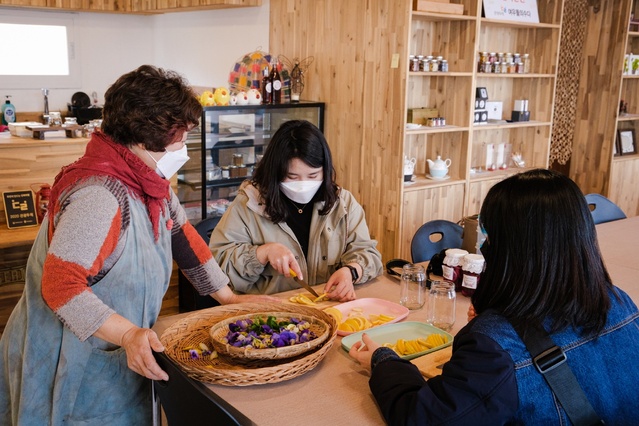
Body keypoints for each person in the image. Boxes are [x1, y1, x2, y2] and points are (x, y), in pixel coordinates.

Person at [0, 65, 277, 425]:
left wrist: (227, 298)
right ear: (149, 137)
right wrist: (128, 333)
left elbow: (182, 236)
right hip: (66, 355)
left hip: (114, 347)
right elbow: (60, 286)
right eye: (181, 139)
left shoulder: (149, 180)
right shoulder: (100, 195)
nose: (184, 149)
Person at [349, 169, 639, 424]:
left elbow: (421, 416)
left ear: (510, 249)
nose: (483, 244)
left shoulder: (494, 348)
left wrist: (383, 362)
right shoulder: (620, 301)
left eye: (487, 233)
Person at [209, 119, 383, 301]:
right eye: (292, 177)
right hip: (271, 314)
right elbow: (218, 267)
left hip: (329, 307)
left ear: (325, 170)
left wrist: (351, 271)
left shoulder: (343, 203)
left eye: (313, 176)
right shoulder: (249, 204)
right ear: (275, 172)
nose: (302, 184)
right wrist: (262, 253)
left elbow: (368, 252)